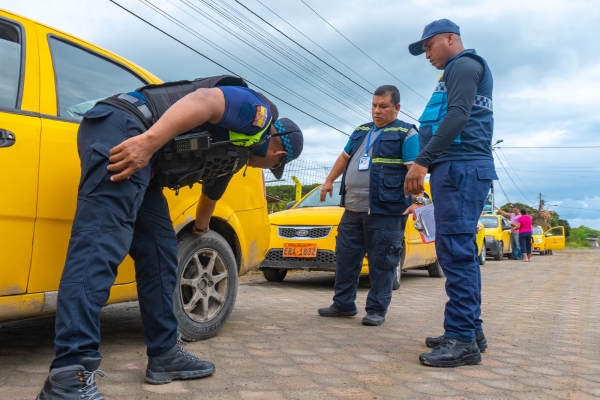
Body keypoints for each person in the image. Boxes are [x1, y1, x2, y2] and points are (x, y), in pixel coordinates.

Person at [36, 76, 303, 399]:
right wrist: (148, 143)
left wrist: (202, 229)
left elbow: (210, 197)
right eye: (273, 165)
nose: (266, 166)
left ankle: (164, 353)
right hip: (125, 130)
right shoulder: (257, 113)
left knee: (162, 253)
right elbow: (204, 100)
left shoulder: (235, 152)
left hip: (144, 162)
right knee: (98, 249)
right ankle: (69, 375)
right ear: (278, 152)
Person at [405, 19, 498, 367]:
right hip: (458, 168)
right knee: (461, 253)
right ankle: (470, 330)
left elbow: (458, 115)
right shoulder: (458, 71)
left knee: (456, 254)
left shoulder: (463, 65)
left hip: (460, 167)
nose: (426, 54)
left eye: (429, 45)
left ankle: (461, 341)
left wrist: (422, 161)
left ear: (450, 38)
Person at [317, 85, 421, 326]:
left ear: (396, 108)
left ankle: (376, 310)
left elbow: (414, 171)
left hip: (385, 211)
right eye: (374, 106)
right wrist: (329, 180)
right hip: (353, 209)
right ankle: (343, 305)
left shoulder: (406, 133)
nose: (376, 111)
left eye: (383, 106)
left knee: (382, 262)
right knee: (346, 259)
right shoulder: (361, 131)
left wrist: (418, 201)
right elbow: (344, 157)